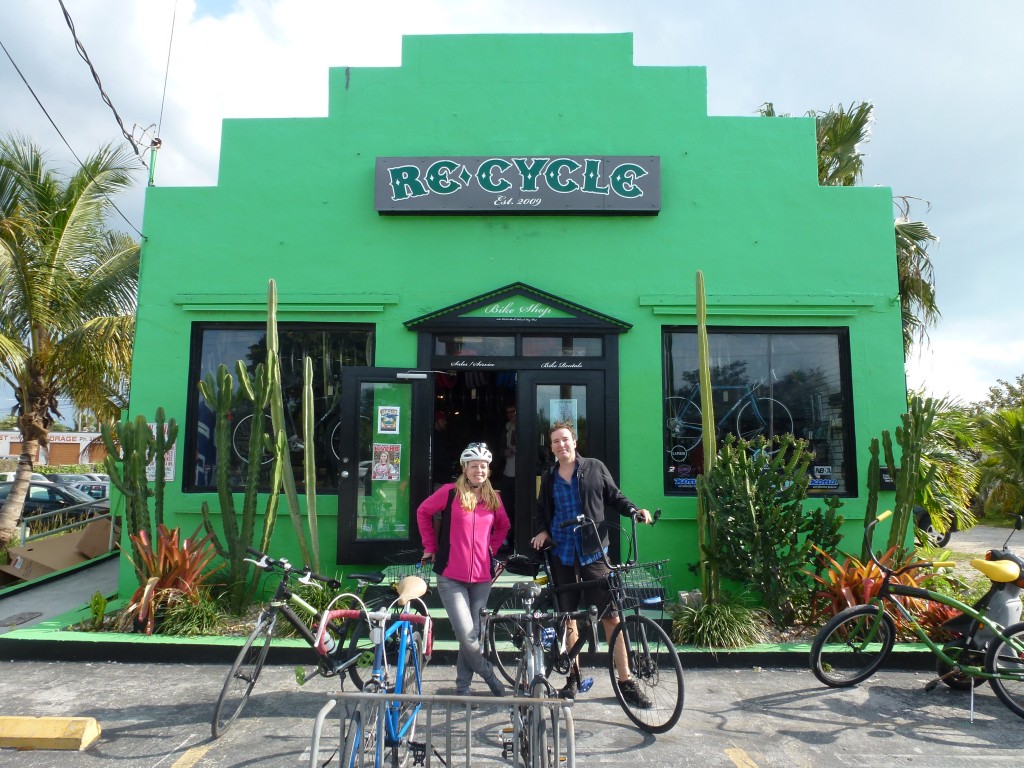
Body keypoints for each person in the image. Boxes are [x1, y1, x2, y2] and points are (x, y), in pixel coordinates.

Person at [530, 421, 654, 707]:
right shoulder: (549, 477)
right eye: (556, 442)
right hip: (561, 552)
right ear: (552, 448)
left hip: (594, 551)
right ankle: (573, 678)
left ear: (574, 442)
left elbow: (615, 497)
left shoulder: (595, 468)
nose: (561, 445)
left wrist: (635, 511)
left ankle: (626, 681)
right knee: (568, 617)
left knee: (611, 616)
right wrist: (543, 531)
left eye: (565, 440)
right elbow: (542, 511)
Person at [418, 442, 511, 696]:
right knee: (467, 635)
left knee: (472, 636)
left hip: (482, 577)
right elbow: (422, 512)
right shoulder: (449, 493)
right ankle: (489, 674)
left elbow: (504, 526)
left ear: (488, 470)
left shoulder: (493, 498)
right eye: (473, 466)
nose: (478, 471)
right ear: (465, 468)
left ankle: (463, 687)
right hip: (450, 576)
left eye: (483, 466)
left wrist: (491, 548)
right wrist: (430, 545)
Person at [499, 404, 517, 550]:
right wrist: (502, 452)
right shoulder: (505, 428)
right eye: (508, 412)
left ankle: (519, 537)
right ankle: (506, 537)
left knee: (522, 507)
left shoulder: (527, 425)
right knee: (506, 507)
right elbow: (497, 446)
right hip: (507, 472)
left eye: (513, 412)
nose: (511, 415)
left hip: (522, 474)